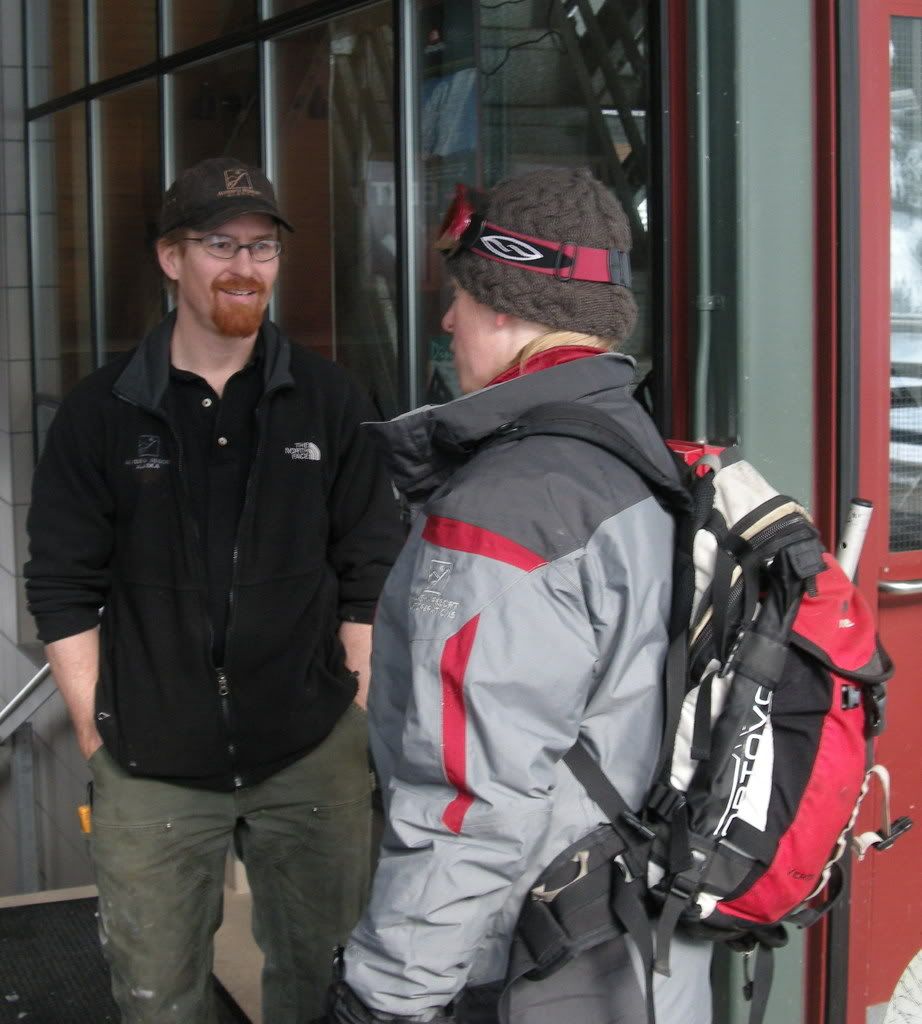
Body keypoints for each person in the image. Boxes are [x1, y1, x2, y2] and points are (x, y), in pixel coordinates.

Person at [314, 168, 713, 1023]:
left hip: (535, 968)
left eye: (458, 296)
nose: (447, 321)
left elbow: (468, 805)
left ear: (503, 305)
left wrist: (383, 1000)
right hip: (649, 950)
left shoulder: (506, 507)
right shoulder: (637, 454)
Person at [24, 156, 404, 1024]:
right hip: (149, 761)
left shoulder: (328, 400)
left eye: (263, 247)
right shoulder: (102, 412)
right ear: (172, 257)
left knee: (327, 984)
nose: (245, 266)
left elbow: (372, 565)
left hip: (310, 749)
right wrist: (95, 733)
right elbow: (63, 584)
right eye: (220, 245)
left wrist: (352, 707)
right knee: (158, 998)